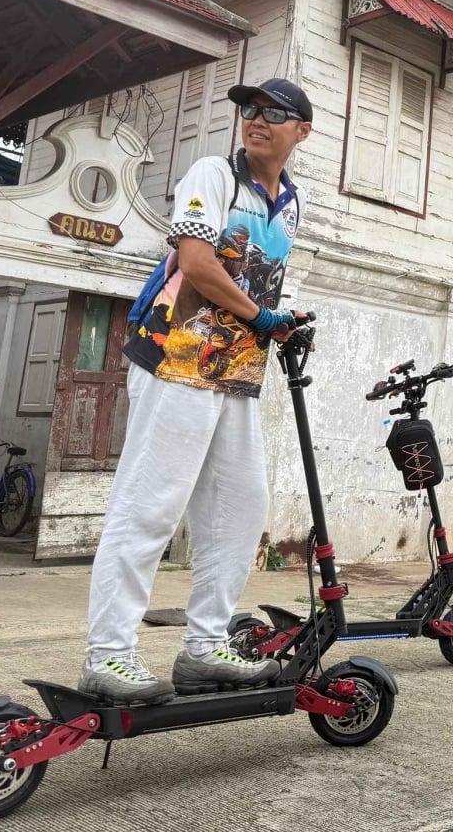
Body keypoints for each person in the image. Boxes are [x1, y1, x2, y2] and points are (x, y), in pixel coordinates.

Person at [79, 78, 313, 703]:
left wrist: (277, 321)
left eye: (273, 113)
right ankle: (109, 656)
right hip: (175, 353)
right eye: (248, 110)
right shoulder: (213, 174)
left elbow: (260, 280)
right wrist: (261, 317)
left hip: (235, 369)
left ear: (302, 131)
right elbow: (197, 262)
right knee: (150, 504)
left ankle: (206, 647)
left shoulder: (290, 202)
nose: (255, 120)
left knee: (240, 508)